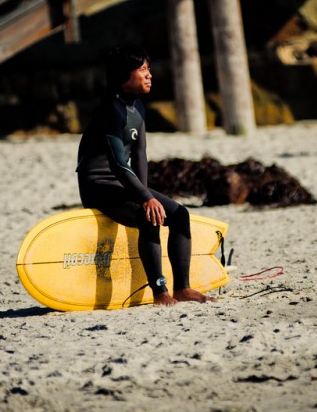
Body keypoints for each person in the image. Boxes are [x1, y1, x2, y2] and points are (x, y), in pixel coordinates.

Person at [76, 46, 214, 305]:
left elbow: (139, 156)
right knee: (147, 217)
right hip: (97, 185)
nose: (149, 75)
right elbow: (118, 163)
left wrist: (146, 193)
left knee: (179, 214)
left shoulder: (137, 107)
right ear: (123, 76)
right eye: (142, 70)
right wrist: (144, 199)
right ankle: (160, 291)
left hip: (123, 183)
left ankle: (182, 288)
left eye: (149, 69)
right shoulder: (110, 110)